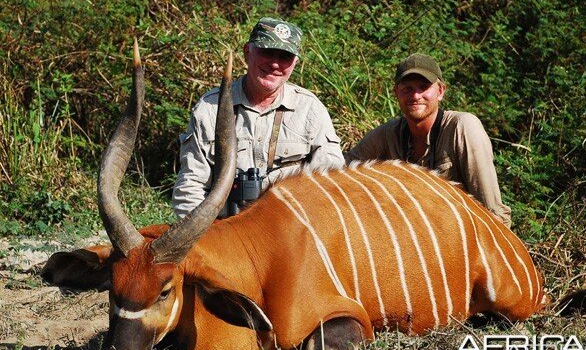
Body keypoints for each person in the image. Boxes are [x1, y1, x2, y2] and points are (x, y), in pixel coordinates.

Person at [173, 17, 344, 218]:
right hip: (225, 231)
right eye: (267, 52)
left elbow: (331, 183)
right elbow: (190, 187)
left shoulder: (310, 109)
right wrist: (201, 241)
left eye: (285, 57)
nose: (274, 64)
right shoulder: (211, 108)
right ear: (247, 52)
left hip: (292, 230)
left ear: (295, 63)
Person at [345, 53, 512, 228]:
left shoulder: (462, 127)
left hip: (463, 237)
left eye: (423, 87)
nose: (415, 96)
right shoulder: (389, 134)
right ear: (396, 93)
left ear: (440, 91)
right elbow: (342, 165)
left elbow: (493, 213)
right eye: (407, 88)